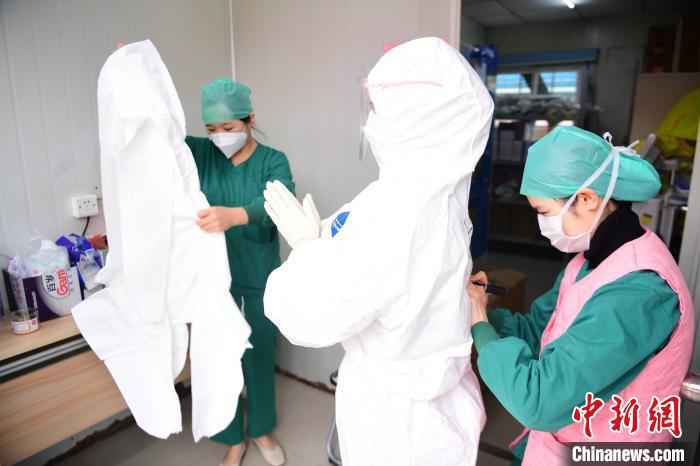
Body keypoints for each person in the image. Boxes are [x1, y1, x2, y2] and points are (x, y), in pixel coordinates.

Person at [261, 37, 494, 466]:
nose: (371, 123)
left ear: (409, 119)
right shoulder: (439, 195)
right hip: (437, 407)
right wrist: (325, 241)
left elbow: (305, 316)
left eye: (379, 108)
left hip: (396, 425)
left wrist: (309, 250)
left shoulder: (394, 212)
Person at [468, 126, 695, 466]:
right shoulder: (588, 262)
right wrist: (482, 309)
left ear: (587, 198)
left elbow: (539, 401)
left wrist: (480, 324)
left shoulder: (640, 291)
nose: (542, 226)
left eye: (544, 212)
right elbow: (539, 332)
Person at [186, 78, 292, 466]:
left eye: (228, 127)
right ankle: (232, 438)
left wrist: (237, 215)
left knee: (259, 352)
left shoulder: (272, 160)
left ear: (250, 119)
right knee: (220, 358)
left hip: (258, 273)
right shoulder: (200, 154)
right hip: (214, 280)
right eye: (212, 128)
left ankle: (261, 429)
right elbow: (158, 136)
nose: (220, 137)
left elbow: (281, 201)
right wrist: (137, 77)